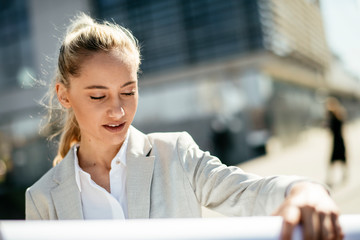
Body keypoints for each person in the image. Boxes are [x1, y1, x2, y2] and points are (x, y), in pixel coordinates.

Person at [26, 13, 343, 240]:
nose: (118, 109)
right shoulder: (42, 199)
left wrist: (306, 190)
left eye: (128, 91)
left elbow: (249, 191)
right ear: (64, 95)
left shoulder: (175, 154)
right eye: (98, 95)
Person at [326, 97, 348, 187]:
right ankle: (342, 175)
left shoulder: (333, 115)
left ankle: (332, 177)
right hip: (339, 139)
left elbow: (330, 128)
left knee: (334, 160)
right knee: (340, 159)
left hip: (336, 140)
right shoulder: (339, 114)